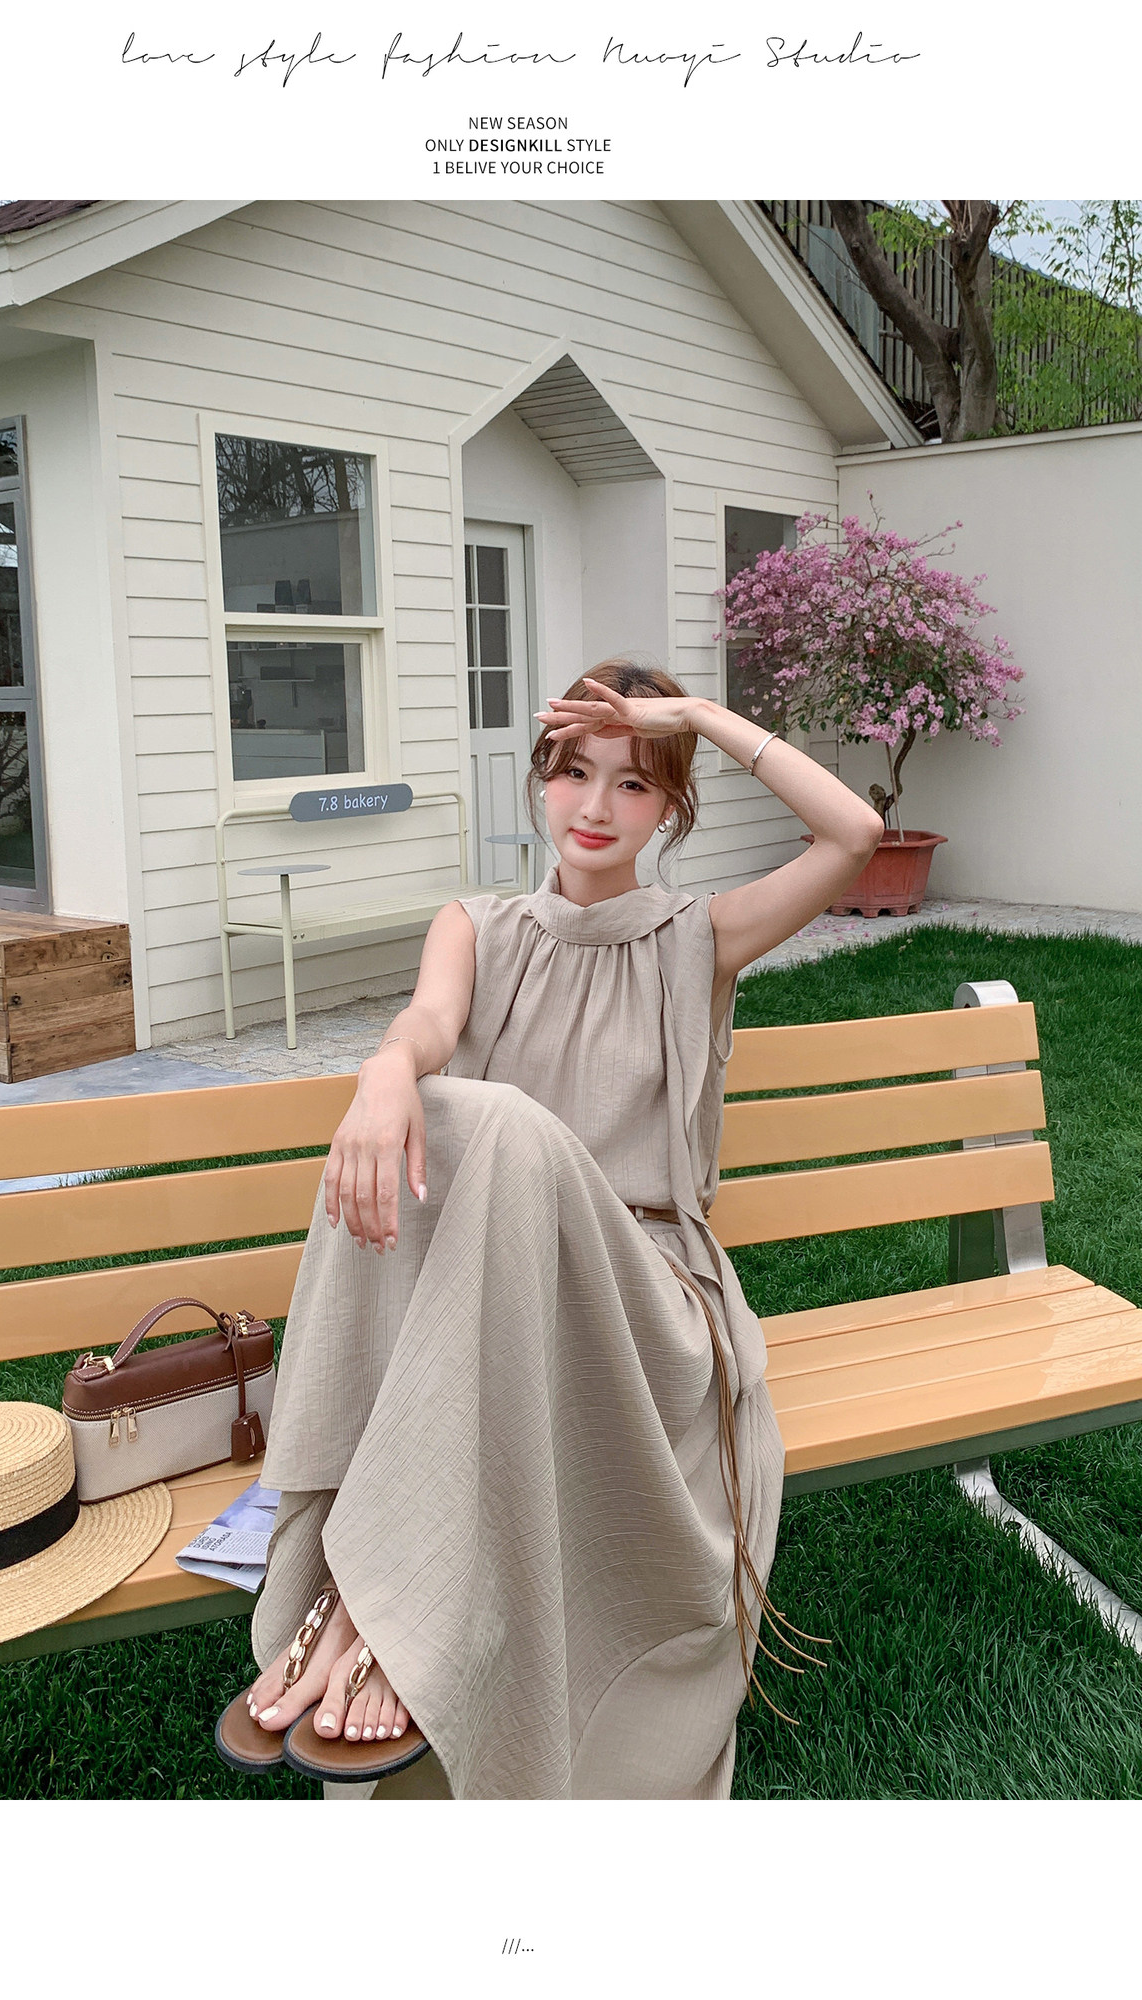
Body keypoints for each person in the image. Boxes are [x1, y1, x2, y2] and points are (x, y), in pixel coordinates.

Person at [219, 657, 884, 1800]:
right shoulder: (474, 926)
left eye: (634, 782)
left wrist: (697, 715)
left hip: (644, 1305)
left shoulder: (701, 936)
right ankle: (373, 1589)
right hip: (493, 1291)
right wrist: (387, 1068)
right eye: (573, 770)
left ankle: (374, 1599)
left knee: (500, 1124)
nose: (595, 806)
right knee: (440, 1108)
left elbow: (856, 833)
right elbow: (430, 1019)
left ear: (670, 809)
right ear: (538, 781)